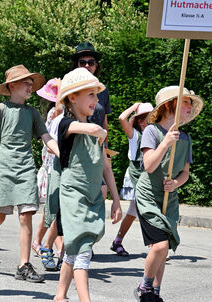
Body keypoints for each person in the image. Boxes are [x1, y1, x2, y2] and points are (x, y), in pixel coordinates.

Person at [0, 65, 59, 283]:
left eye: (31, 84)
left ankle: (24, 265)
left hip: (25, 168)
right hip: (3, 168)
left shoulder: (32, 112)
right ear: (11, 86)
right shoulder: (0, 109)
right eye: (25, 83)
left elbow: (46, 137)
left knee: (26, 215)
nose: (29, 87)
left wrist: (62, 153)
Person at [53, 68, 122, 302]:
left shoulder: (96, 130)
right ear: (72, 97)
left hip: (93, 196)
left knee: (74, 249)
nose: (96, 100)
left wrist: (115, 200)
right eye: (90, 95)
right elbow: (80, 128)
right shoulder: (65, 124)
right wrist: (98, 130)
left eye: (96, 95)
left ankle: (60, 295)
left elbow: (106, 167)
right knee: (82, 249)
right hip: (73, 196)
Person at [133, 86, 203, 302]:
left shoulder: (186, 138)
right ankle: (144, 287)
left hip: (168, 198)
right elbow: (149, 166)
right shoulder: (152, 131)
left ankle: (155, 291)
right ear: (170, 105)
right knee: (160, 246)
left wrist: (175, 183)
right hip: (148, 197)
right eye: (186, 102)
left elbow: (185, 173)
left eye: (191, 104)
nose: (190, 108)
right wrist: (165, 142)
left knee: (164, 249)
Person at [70, 42, 113, 199]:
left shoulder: (103, 90)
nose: (87, 65)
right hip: (75, 148)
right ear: (76, 65)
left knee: (101, 192)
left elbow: (105, 122)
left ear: (96, 66)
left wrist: (107, 151)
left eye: (91, 62)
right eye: (82, 62)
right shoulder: (70, 87)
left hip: (97, 149)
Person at [110, 102, 153, 256]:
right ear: (141, 122)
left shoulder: (154, 135)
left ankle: (118, 241)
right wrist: (134, 107)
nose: (153, 121)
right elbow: (122, 118)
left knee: (134, 211)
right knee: (144, 209)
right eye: (149, 119)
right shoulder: (135, 135)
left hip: (147, 177)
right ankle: (153, 245)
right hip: (136, 176)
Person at [32, 78, 64, 271]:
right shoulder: (55, 112)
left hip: (56, 166)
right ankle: (47, 245)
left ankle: (42, 242)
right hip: (52, 166)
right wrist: (62, 89)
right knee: (53, 210)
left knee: (53, 210)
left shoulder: (60, 112)